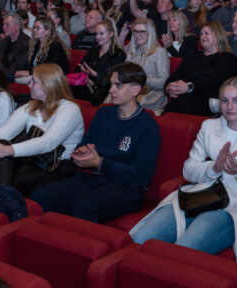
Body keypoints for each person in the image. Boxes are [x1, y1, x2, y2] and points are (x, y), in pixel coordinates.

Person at [131, 77, 237, 264]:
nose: (229, 106)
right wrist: (214, 168)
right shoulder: (209, 126)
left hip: (235, 207)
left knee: (182, 251)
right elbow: (189, 170)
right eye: (224, 100)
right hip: (199, 196)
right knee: (139, 239)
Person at [31, 63, 161, 223]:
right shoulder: (103, 113)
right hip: (91, 179)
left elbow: (141, 178)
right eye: (111, 84)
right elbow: (84, 144)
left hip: (125, 188)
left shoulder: (147, 126)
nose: (111, 89)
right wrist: (82, 153)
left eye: (118, 86)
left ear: (135, 90)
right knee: (41, 196)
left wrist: (100, 163)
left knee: (84, 205)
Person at [0, 64, 83, 196]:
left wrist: (7, 151)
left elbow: (48, 143)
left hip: (55, 167)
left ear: (47, 86)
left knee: (2, 173)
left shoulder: (70, 110)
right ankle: (0, 196)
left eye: (33, 81)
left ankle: (0, 196)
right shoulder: (32, 106)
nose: (29, 84)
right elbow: (3, 132)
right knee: (0, 144)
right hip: (31, 160)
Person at [164, 22, 237, 116]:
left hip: (206, 105)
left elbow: (215, 80)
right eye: (201, 34)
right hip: (181, 102)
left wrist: (189, 87)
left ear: (218, 35)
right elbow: (174, 76)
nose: (202, 36)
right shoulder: (192, 56)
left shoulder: (228, 58)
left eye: (207, 33)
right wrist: (168, 88)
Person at [71, 19, 126, 106]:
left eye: (101, 34)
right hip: (85, 86)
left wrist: (96, 75)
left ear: (111, 34)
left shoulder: (118, 54)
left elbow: (115, 80)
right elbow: (79, 68)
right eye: (96, 34)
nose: (97, 37)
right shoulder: (93, 50)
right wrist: (82, 69)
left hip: (102, 91)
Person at [121, 19, 170, 113]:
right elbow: (124, 75)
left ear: (150, 33)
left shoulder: (159, 52)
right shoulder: (132, 53)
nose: (137, 35)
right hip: (132, 92)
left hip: (152, 96)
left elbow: (164, 82)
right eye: (135, 31)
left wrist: (141, 78)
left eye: (142, 32)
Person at [14, 16, 68, 83]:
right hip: (38, 76)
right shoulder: (36, 44)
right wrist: (24, 71)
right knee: (13, 77)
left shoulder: (55, 47)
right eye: (34, 27)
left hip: (52, 80)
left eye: (38, 28)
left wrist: (29, 72)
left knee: (14, 79)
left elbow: (52, 69)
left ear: (47, 31)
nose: (34, 30)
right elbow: (30, 65)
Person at [0, 12, 31, 83]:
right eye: (3, 24)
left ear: (17, 26)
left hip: (13, 75)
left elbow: (17, 67)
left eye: (7, 24)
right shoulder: (3, 42)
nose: (3, 27)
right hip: (2, 73)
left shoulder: (26, 43)